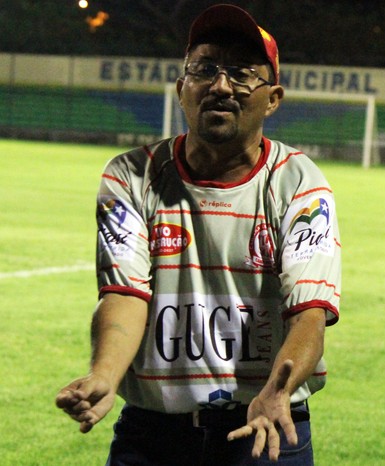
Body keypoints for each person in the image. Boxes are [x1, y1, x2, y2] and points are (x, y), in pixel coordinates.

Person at [55, 4, 341, 465]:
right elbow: (125, 294)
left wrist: (276, 392)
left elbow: (309, 313)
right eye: (205, 69)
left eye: (243, 73)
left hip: (265, 426)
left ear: (272, 99)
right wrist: (104, 375)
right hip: (152, 435)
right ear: (181, 89)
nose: (221, 85)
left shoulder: (300, 183)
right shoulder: (130, 176)